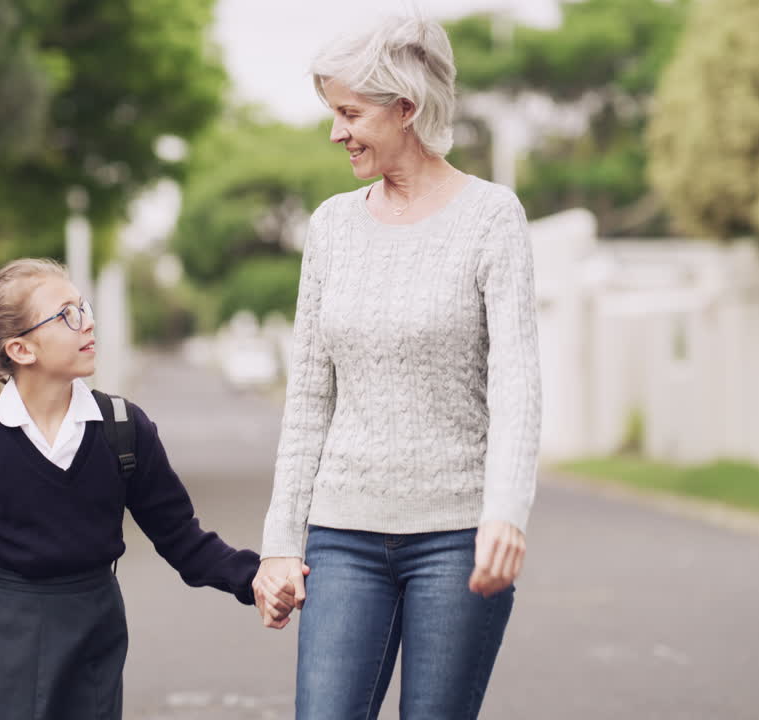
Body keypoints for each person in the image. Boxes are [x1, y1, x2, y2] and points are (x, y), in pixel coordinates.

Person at [252, 15, 543, 719]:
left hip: (456, 536)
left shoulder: (491, 218)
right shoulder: (330, 227)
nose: (336, 132)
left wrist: (506, 511)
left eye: (350, 113)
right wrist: (279, 545)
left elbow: (517, 382)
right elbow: (310, 398)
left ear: (406, 108)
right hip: (343, 534)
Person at [0, 258, 294, 720]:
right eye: (67, 315)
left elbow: (182, 538)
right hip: (7, 640)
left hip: (95, 637)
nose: (88, 322)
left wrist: (253, 577)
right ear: (21, 349)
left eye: (84, 307)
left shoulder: (122, 430)